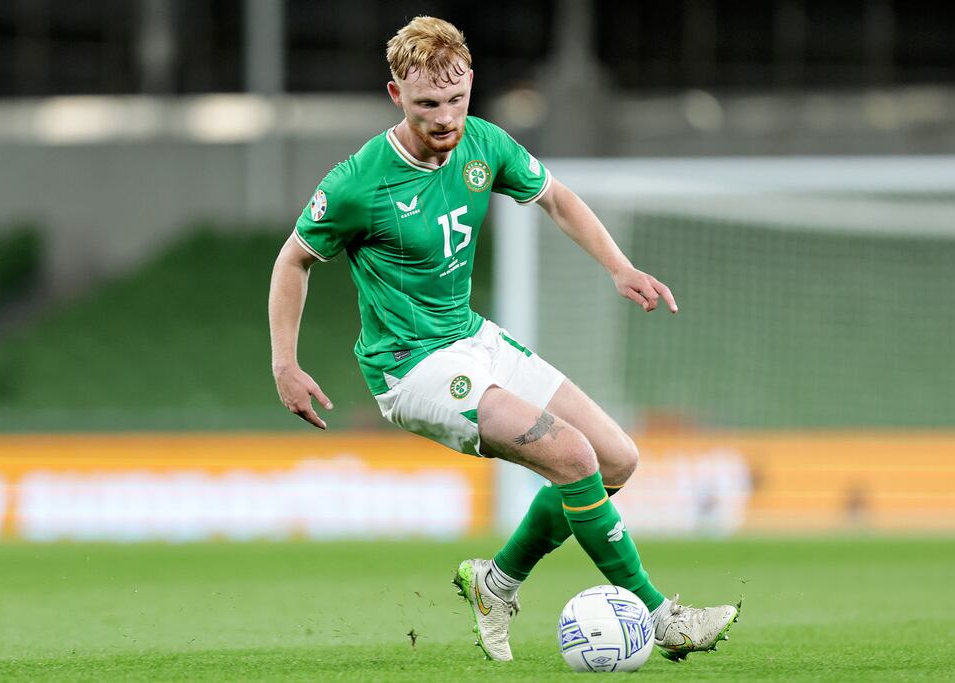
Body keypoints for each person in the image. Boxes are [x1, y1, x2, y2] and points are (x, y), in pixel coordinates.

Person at [270, 16, 738, 662]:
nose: (444, 117)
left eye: (456, 99)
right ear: (395, 95)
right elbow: (292, 259)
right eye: (427, 103)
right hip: (412, 367)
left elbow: (557, 198)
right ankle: (662, 618)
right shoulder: (359, 182)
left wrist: (619, 266)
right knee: (572, 456)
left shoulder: (484, 143)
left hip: (473, 339)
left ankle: (496, 583)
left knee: (616, 460)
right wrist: (285, 364)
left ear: (470, 87)